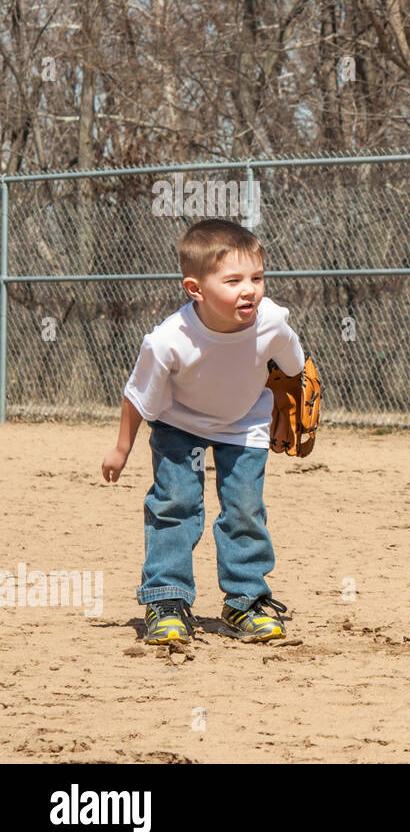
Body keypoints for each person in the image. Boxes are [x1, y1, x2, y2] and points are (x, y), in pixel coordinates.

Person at [101, 218, 304, 645]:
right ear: (196, 289)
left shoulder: (273, 322)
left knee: (245, 510)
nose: (249, 289)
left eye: (257, 277)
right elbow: (137, 395)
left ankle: (245, 602)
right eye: (233, 280)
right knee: (175, 504)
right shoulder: (168, 340)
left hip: (245, 423)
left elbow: (294, 370)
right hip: (181, 424)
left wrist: (290, 401)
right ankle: (167, 599)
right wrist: (121, 449)